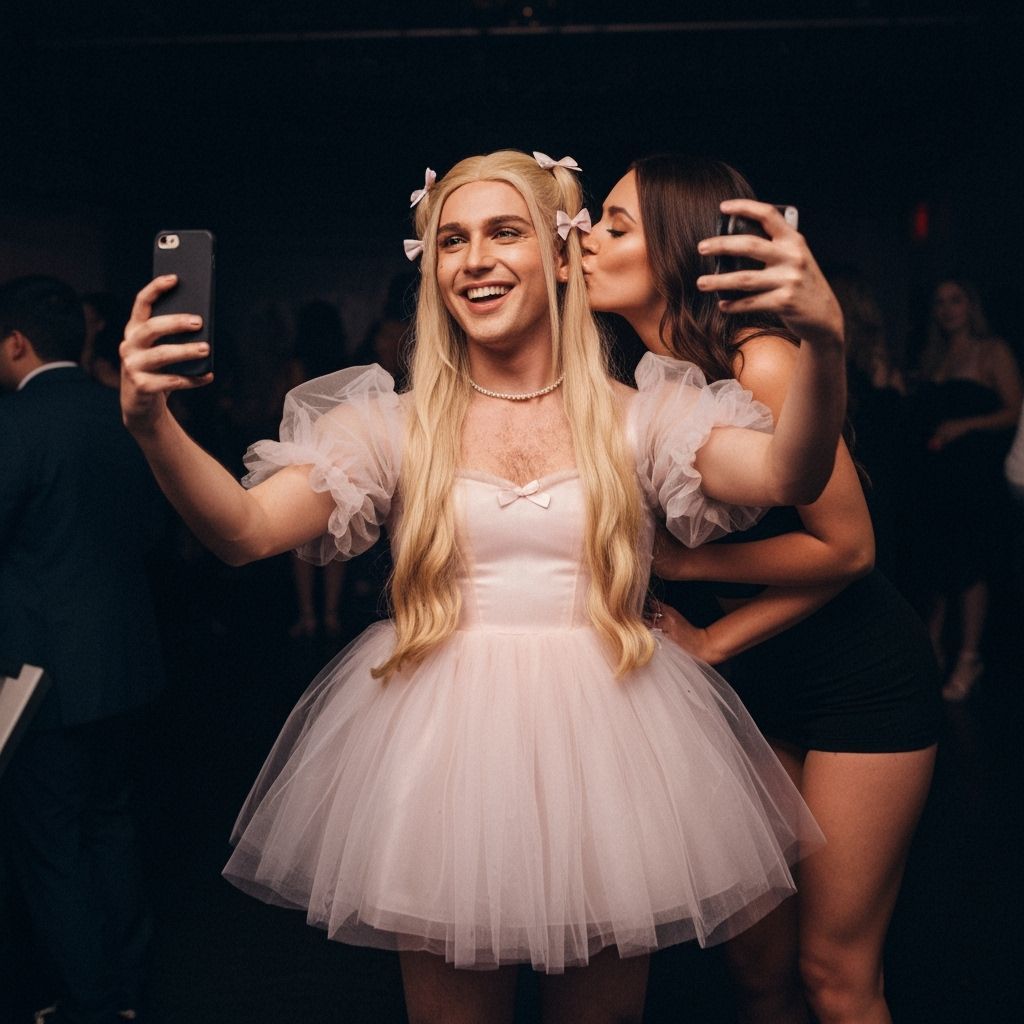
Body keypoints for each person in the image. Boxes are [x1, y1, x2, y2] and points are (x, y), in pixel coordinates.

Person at [117, 149, 846, 1023]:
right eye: (451, 239)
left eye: (505, 232)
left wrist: (824, 345)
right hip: (443, 752)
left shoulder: (641, 415)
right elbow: (240, 532)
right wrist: (151, 425)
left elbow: (789, 477)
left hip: (613, 742)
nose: (475, 259)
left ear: (561, 252)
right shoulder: (392, 425)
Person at [583, 154, 941, 1024]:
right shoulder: (642, 376)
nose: (587, 238)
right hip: (756, 690)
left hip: (858, 684)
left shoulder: (765, 363)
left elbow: (849, 549)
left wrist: (700, 597)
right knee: (756, 972)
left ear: (675, 250)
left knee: (834, 973)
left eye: (616, 225)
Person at [0, 276, 165, 1024]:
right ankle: (127, 995)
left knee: (51, 846)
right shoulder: (129, 416)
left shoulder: (17, 422)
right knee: (112, 828)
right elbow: (160, 535)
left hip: (44, 674)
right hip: (128, 663)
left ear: (15, 343)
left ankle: (91, 1006)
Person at [911, 278, 1022, 701]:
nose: (946, 308)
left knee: (970, 566)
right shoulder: (933, 354)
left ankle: (969, 658)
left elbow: (1014, 411)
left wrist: (964, 426)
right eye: (939, 301)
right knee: (937, 565)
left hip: (975, 478)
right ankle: (932, 655)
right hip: (936, 477)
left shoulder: (992, 350)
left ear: (970, 304)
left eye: (955, 299)